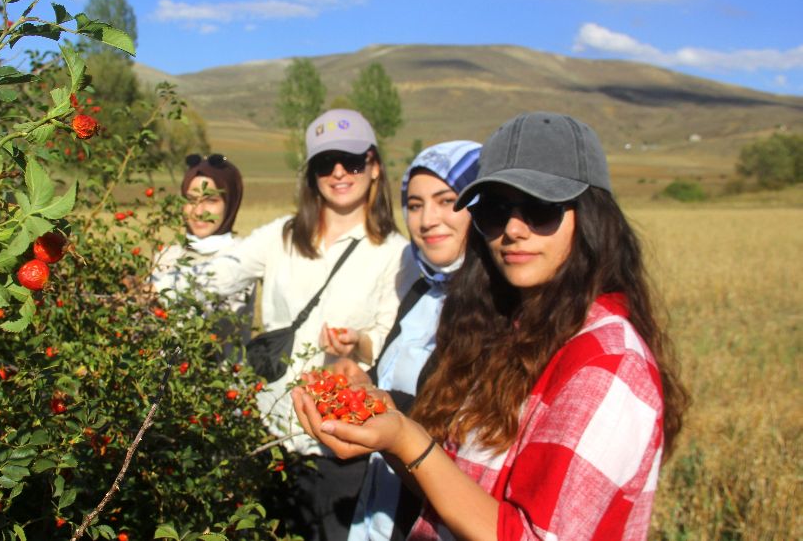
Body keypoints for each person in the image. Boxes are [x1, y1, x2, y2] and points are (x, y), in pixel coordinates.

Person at [293, 111, 689, 540]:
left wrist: (405, 438)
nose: (513, 230)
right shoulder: (506, 329)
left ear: (591, 216)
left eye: (541, 208)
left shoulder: (605, 362)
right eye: (495, 211)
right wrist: (384, 422)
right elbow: (454, 495)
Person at [173, 109, 409, 540]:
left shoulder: (396, 253)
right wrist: (162, 278)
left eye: (352, 161)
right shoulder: (280, 237)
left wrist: (358, 342)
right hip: (268, 434)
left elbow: (392, 342)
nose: (339, 172)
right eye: (325, 163)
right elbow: (219, 276)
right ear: (312, 174)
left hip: (340, 448)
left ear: (374, 166)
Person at [344, 140, 483, 541]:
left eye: (448, 201)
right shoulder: (423, 293)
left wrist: (383, 405)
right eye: (416, 205)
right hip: (382, 502)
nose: (427, 220)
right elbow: (402, 380)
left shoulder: (496, 312)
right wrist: (361, 381)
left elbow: (460, 434)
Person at [151, 153, 253, 354]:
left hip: (222, 381)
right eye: (191, 200)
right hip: (164, 381)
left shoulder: (244, 254)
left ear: (231, 202)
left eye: (211, 200)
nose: (198, 211)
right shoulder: (166, 256)